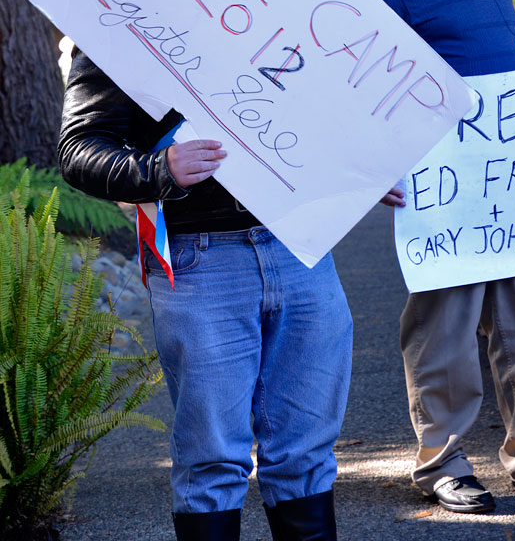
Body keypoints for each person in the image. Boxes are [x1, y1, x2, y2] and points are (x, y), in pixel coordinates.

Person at [58, 49, 355, 540]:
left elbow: (333, 100)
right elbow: (79, 148)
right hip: (199, 257)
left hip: (300, 246)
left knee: (307, 453)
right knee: (211, 461)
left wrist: (359, 169)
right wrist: (157, 169)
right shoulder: (115, 7)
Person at [367, 0, 515, 514]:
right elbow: (361, 91)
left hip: (509, 185)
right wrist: (373, 166)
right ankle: (442, 460)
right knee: (445, 328)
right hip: (444, 195)